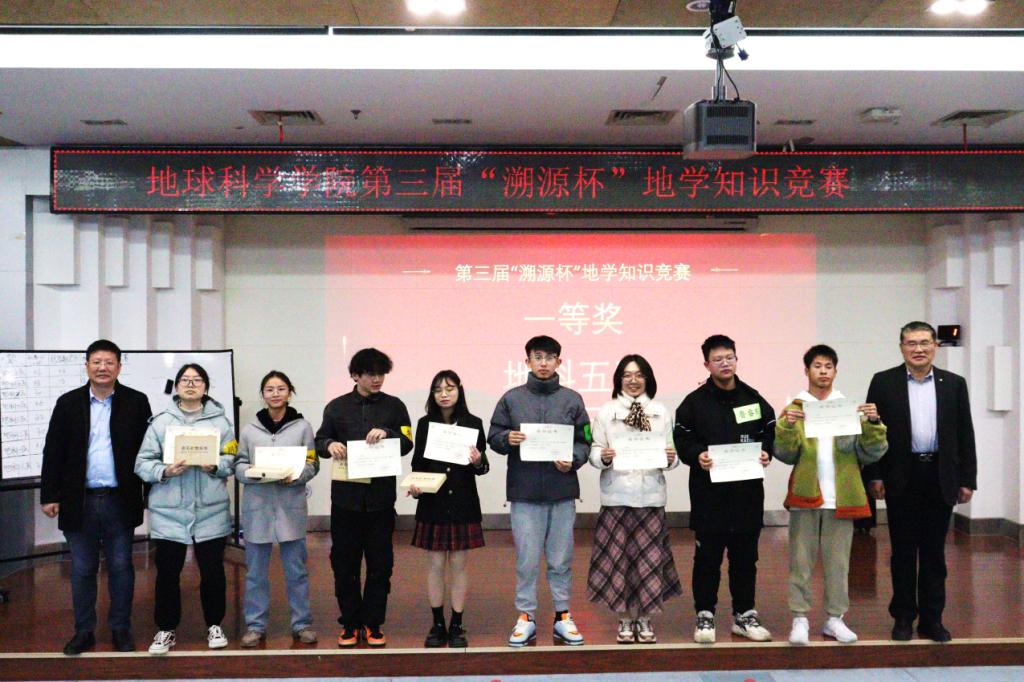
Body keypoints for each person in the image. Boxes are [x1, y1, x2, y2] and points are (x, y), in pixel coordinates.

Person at [863, 321, 977, 643]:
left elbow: (965, 433)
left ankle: (932, 620)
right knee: (902, 552)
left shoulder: (954, 384)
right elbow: (871, 432)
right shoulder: (883, 382)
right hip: (901, 476)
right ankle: (903, 617)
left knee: (934, 554)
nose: (918, 349)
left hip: (940, 476)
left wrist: (967, 479)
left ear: (935, 346)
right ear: (901, 347)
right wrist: (874, 474)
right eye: (911, 343)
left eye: (925, 342)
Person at [40, 340, 153, 655]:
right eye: (97, 362)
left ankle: (120, 628)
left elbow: (149, 451)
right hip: (79, 500)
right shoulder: (68, 403)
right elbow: (53, 451)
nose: (103, 368)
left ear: (119, 366)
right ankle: (84, 631)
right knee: (82, 568)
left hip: (120, 499)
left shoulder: (136, 402)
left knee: (121, 566)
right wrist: (49, 494)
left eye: (109, 362)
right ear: (87, 365)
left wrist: (150, 494)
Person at [774, 344, 888, 645]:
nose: (823, 371)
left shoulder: (848, 407)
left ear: (836, 371)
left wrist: (874, 424)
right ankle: (800, 618)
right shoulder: (795, 408)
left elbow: (871, 452)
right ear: (807, 371)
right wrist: (786, 428)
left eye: (828, 366)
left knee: (838, 564)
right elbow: (785, 454)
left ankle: (835, 619)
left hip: (842, 497)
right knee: (801, 562)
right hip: (806, 495)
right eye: (817, 366)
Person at [488, 335, 591, 647]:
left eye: (549, 358)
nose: (543, 363)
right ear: (527, 362)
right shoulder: (511, 399)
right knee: (527, 560)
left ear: (559, 362)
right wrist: (507, 439)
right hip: (525, 493)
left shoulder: (572, 399)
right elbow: (494, 436)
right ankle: (526, 616)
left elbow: (585, 440)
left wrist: (573, 459)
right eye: (538, 357)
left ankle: (562, 615)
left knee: (561, 559)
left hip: (562, 491)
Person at [674, 334, 774, 644]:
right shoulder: (693, 403)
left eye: (729, 357)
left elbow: (769, 431)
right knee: (707, 560)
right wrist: (697, 455)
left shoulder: (753, 399)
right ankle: (705, 615)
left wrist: (766, 451)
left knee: (745, 560)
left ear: (736, 359)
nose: (725, 363)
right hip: (709, 497)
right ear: (707, 364)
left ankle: (744, 615)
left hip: (747, 495)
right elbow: (682, 440)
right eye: (717, 359)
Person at [134, 363, 238, 655]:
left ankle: (214, 624)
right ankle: (166, 629)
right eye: (185, 380)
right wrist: (165, 471)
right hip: (169, 511)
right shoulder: (160, 423)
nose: (191, 385)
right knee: (167, 574)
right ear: (177, 386)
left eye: (197, 380)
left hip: (210, 510)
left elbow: (233, 458)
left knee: (213, 573)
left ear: (206, 387)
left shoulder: (221, 423)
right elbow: (142, 463)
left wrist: (215, 465)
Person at [315, 348, 413, 648]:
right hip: (345, 501)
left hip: (380, 501)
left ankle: (373, 623)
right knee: (344, 566)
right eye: (371, 374)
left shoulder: (395, 406)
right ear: (355, 375)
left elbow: (407, 442)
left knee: (380, 566)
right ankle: (350, 623)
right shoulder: (336, 407)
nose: (377, 379)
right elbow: (320, 440)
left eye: (381, 374)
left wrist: (387, 433)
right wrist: (329, 445)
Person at [586, 354, 682, 644]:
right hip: (617, 497)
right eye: (627, 375)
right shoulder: (607, 411)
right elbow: (594, 450)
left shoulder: (661, 412)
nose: (633, 380)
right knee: (621, 562)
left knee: (649, 562)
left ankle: (645, 618)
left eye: (639, 375)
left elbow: (672, 454)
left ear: (648, 379)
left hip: (651, 497)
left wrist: (671, 458)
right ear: (619, 379)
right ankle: (625, 619)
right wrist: (602, 456)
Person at [234, 370, 320, 647]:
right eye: (270, 389)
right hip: (257, 508)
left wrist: (298, 475)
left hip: (290, 507)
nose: (275, 394)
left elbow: (312, 463)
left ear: (289, 392)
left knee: (297, 571)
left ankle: (302, 624)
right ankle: (255, 626)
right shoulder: (249, 430)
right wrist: (252, 473)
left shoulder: (303, 427)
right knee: (255, 573)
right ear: (263, 394)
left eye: (281, 388)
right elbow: (239, 464)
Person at [407, 370, 489, 648]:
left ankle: (456, 624)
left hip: (463, 503)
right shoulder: (425, 424)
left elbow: (482, 468)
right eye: (438, 390)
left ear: (459, 391)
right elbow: (418, 464)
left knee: (459, 566)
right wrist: (416, 485)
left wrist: (478, 461)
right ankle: (437, 624)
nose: (444, 394)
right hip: (433, 503)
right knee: (435, 566)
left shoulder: (473, 423)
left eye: (449, 388)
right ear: (432, 394)